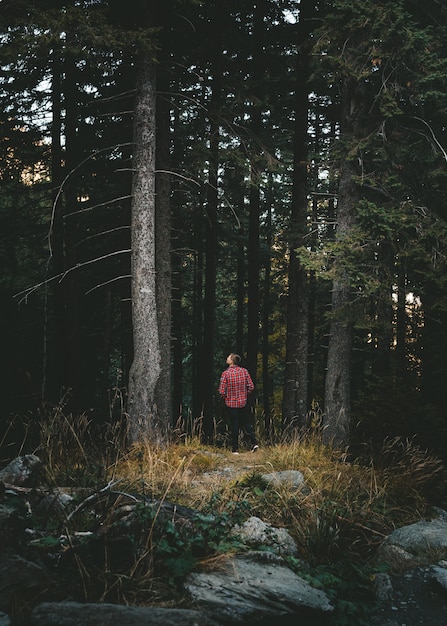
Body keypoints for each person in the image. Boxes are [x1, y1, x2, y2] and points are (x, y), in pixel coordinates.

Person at [218, 353, 259, 454]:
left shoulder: (225, 374)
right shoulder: (244, 371)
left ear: (232, 361)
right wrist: (244, 395)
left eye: (228, 357)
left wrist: (225, 398)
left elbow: (221, 391)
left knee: (234, 425)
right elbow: (251, 386)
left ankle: (235, 448)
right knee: (246, 423)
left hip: (231, 403)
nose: (227, 358)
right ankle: (254, 443)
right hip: (242, 402)